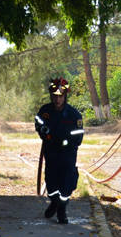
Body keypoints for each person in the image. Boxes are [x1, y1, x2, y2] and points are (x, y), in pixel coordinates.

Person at [34, 77, 84, 224]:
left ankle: (61, 207)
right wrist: (42, 130)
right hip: (51, 151)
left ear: (65, 96)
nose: (57, 100)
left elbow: (79, 137)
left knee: (68, 181)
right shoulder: (45, 111)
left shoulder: (74, 115)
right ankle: (55, 202)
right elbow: (38, 122)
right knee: (51, 181)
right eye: (55, 96)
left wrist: (66, 141)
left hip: (68, 153)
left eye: (60, 96)